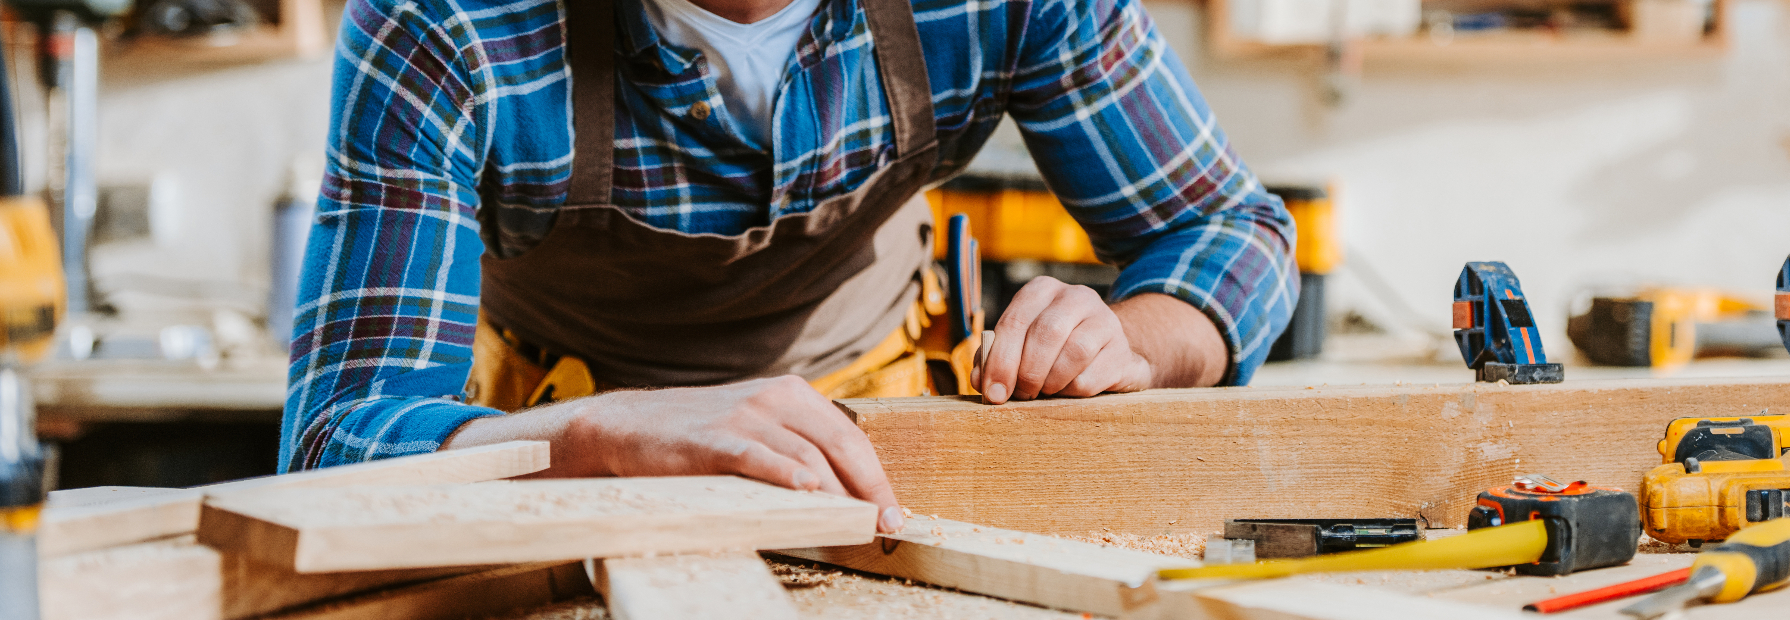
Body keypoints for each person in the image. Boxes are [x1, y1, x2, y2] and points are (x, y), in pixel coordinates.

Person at [285, 0, 1298, 533]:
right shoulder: (445, 21)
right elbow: (338, 435)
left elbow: (1229, 230)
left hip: (882, 437)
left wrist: (1133, 335)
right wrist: (597, 432)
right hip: (557, 436)